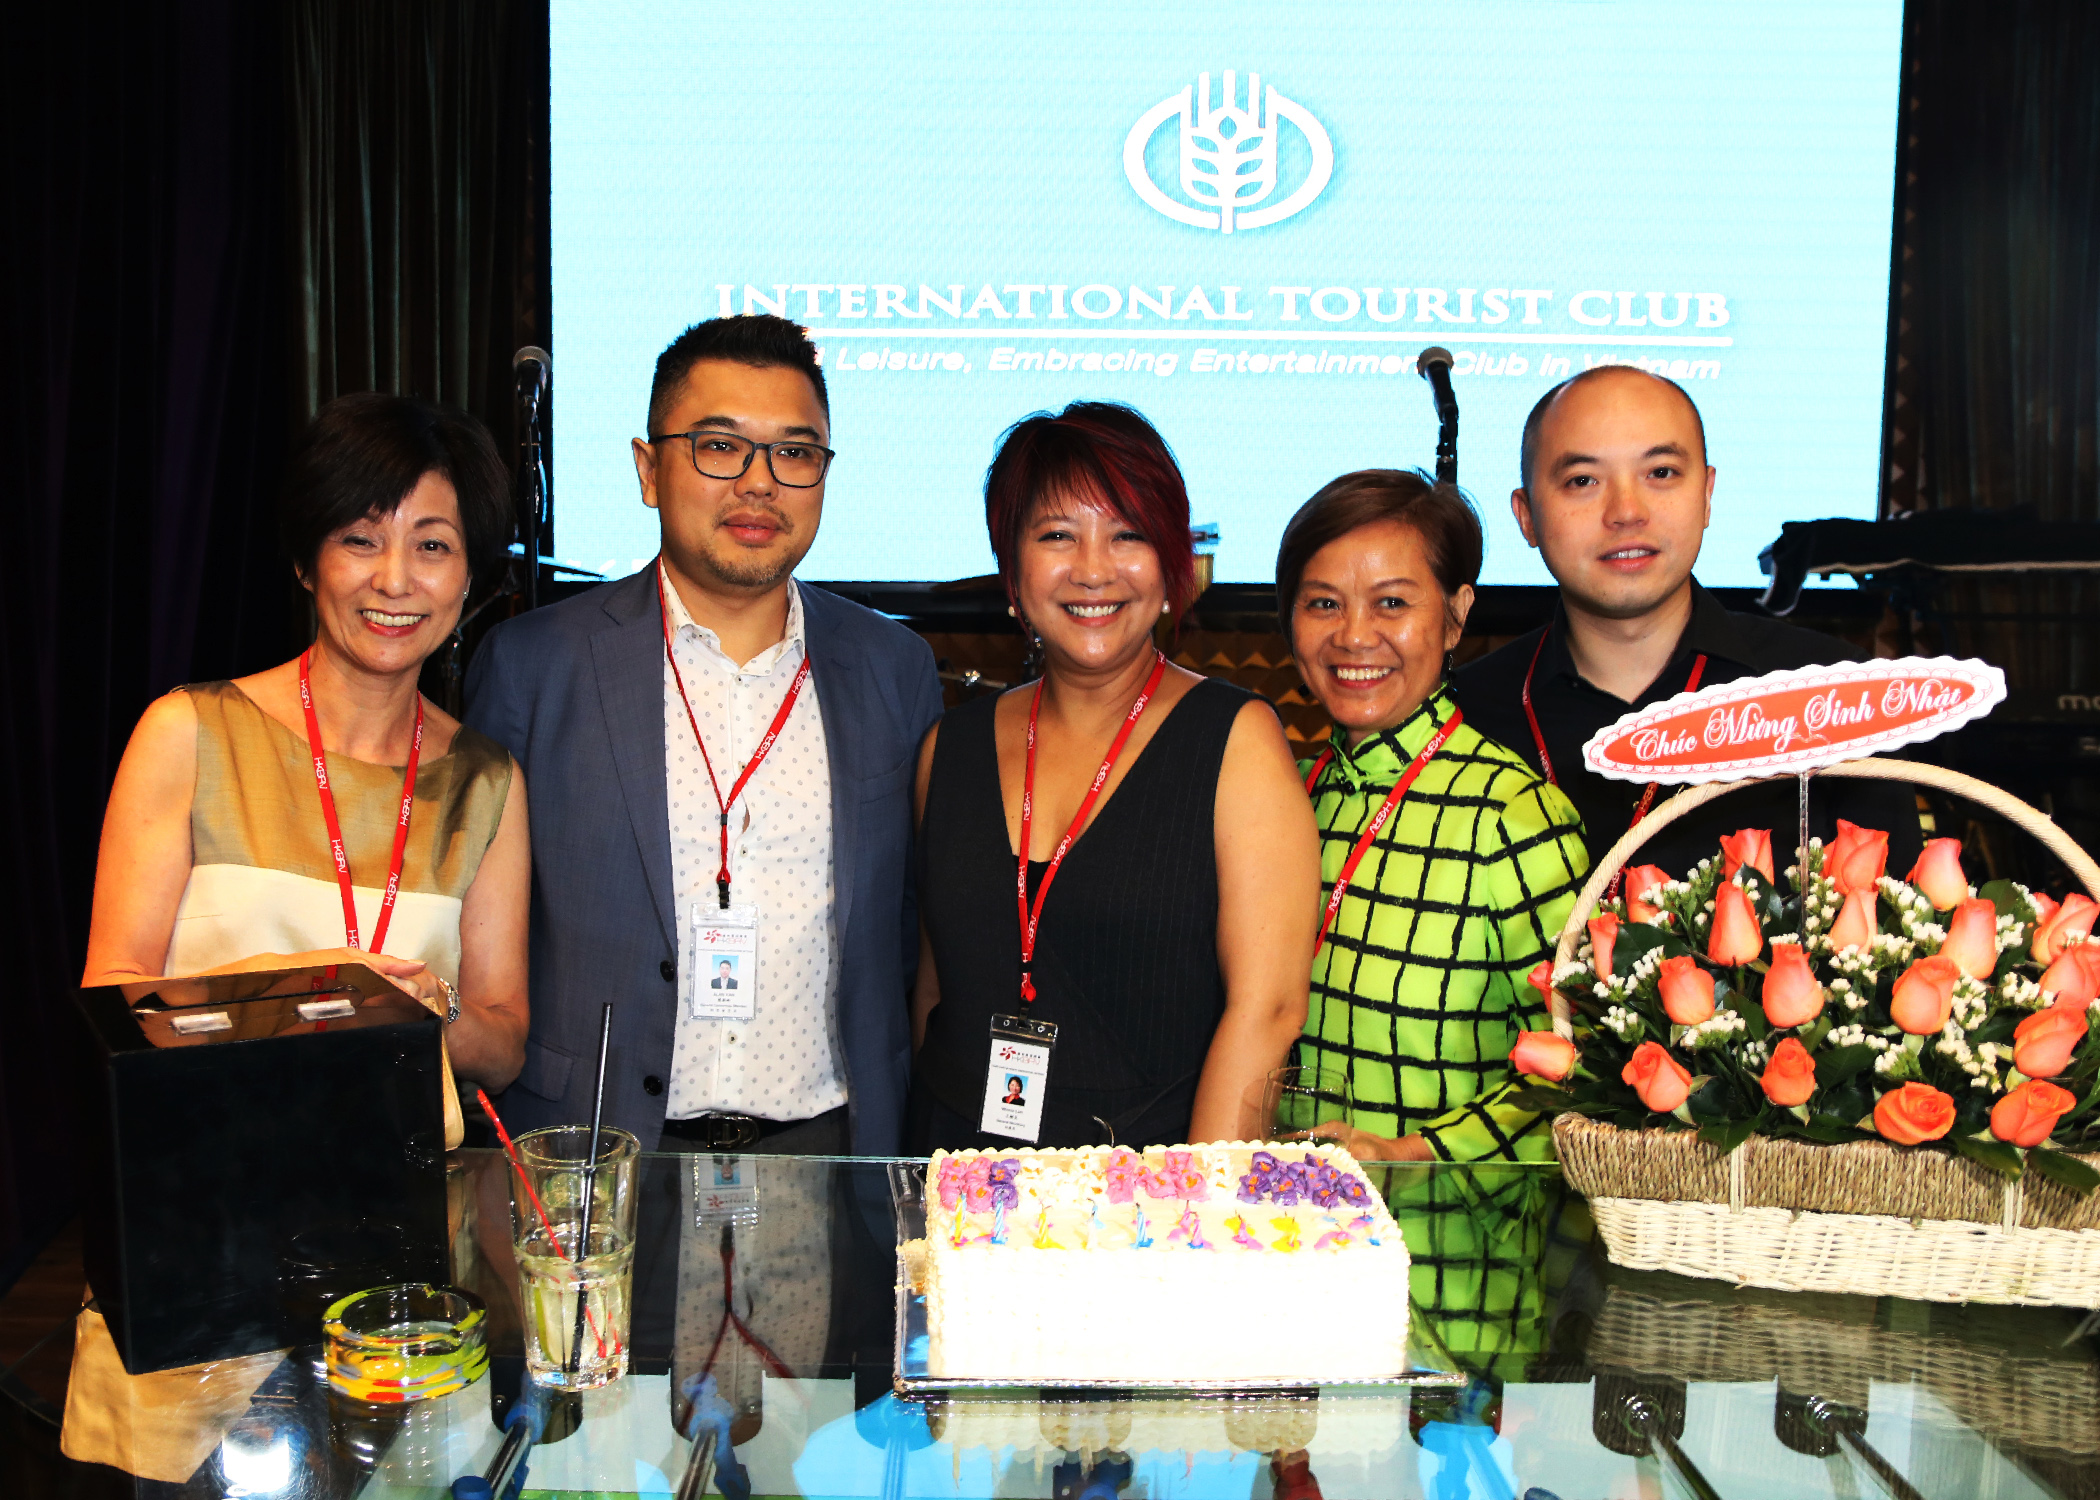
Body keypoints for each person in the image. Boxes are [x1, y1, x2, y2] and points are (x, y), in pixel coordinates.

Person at [466, 315, 942, 1155]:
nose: (759, 483)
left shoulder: (892, 667)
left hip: (831, 1147)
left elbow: (912, 924)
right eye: (720, 447)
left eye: (794, 453)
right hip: (596, 1148)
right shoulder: (531, 665)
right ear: (649, 470)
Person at [82, 393, 531, 1103]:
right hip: (208, 1152)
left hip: (402, 1160)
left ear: (469, 576)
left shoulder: (485, 784)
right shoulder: (189, 732)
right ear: (305, 561)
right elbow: (113, 997)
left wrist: (434, 1005)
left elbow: (503, 1051)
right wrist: (301, 990)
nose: (394, 579)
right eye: (360, 539)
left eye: (432, 546)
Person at [910, 402, 1320, 1149]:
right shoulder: (950, 747)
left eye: (1127, 534)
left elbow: (1268, 1010)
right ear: (1012, 570)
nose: (1094, 569)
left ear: (1171, 565)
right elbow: (936, 987)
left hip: (1144, 1183)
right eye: (1057, 535)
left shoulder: (1236, 739)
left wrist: (1198, 1197)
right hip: (952, 1168)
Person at [1454, 365, 1921, 878]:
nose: (1626, 511)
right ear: (1526, 517)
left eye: (1660, 473)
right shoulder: (1460, 714)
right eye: (1582, 480)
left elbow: (1898, 917)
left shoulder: (1833, 695)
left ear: (1706, 494)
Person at [1280, 471, 1588, 1162]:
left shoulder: (1513, 816)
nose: (1353, 636)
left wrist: (1408, 1156)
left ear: (1455, 616)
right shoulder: (1288, 794)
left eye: (1391, 602)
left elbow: (1576, 1069)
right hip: (1280, 1214)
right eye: (1323, 603)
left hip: (1434, 1221)